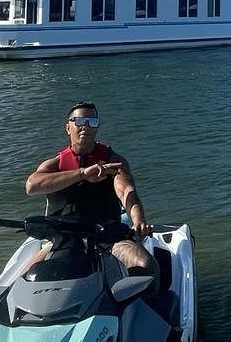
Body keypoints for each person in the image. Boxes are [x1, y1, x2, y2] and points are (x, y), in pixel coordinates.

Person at [25, 102, 154, 277]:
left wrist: (138, 220)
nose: (85, 126)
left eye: (92, 122)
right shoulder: (55, 164)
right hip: (62, 238)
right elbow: (32, 186)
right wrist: (83, 174)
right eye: (79, 121)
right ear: (68, 128)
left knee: (145, 265)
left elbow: (127, 191)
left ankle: (142, 302)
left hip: (107, 235)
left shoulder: (112, 162)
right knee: (25, 277)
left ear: (97, 127)